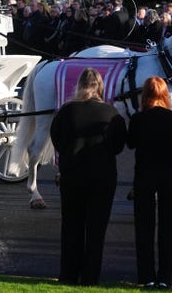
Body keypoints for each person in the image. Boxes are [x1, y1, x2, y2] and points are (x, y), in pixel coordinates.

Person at [49, 68, 127, 285]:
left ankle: (68, 275)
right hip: (102, 177)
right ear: (100, 87)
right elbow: (118, 146)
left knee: (71, 227)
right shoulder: (111, 114)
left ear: (79, 86)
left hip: (72, 175)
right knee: (96, 230)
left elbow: (57, 139)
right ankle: (90, 277)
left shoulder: (66, 111)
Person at [127, 76, 172, 289]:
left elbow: (130, 143)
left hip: (144, 175)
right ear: (164, 94)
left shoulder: (138, 118)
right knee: (168, 227)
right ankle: (165, 277)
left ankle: (147, 275)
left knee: (144, 226)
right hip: (169, 175)